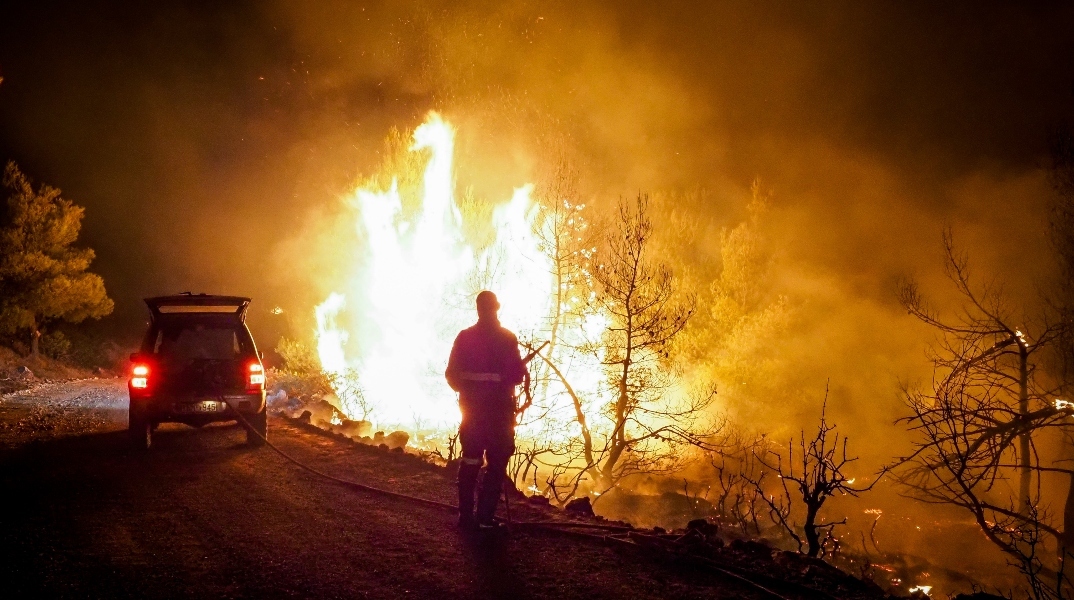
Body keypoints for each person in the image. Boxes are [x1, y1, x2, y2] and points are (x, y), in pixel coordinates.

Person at [445, 290, 527, 530]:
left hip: (471, 413)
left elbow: (451, 375)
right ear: (496, 308)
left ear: (478, 309)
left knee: (470, 460)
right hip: (499, 414)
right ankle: (485, 518)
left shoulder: (464, 337)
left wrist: (469, 392)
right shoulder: (507, 338)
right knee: (497, 463)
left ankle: (466, 517)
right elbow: (516, 376)